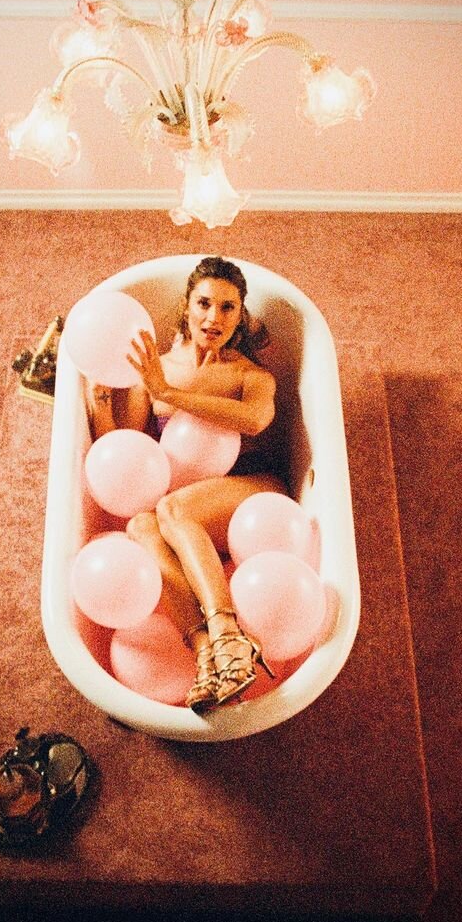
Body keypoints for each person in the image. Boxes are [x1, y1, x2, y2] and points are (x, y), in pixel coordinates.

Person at [86, 256, 287, 713]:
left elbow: (256, 419)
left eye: (227, 307)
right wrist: (99, 397)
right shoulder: (154, 367)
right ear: (187, 306)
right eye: (204, 303)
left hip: (253, 494)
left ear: (240, 315)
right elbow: (127, 451)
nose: (214, 317)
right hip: (183, 514)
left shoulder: (249, 375)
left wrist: (170, 394)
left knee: (172, 510)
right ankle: (207, 655)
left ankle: (228, 637)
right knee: (141, 524)